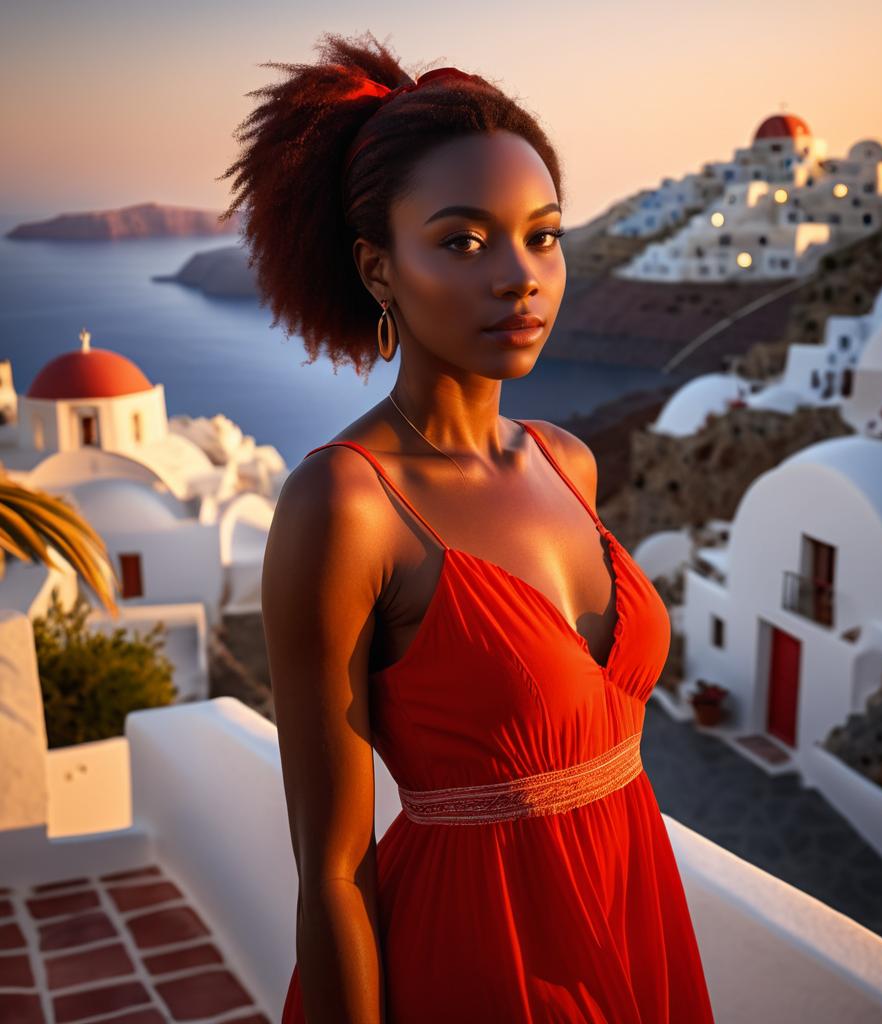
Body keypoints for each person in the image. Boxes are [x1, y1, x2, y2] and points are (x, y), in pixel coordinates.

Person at [222, 29, 716, 1024]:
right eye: (461, 240)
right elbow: (332, 870)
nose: (519, 276)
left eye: (542, 234)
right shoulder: (346, 506)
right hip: (475, 957)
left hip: (633, 918)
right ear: (378, 270)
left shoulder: (566, 461)